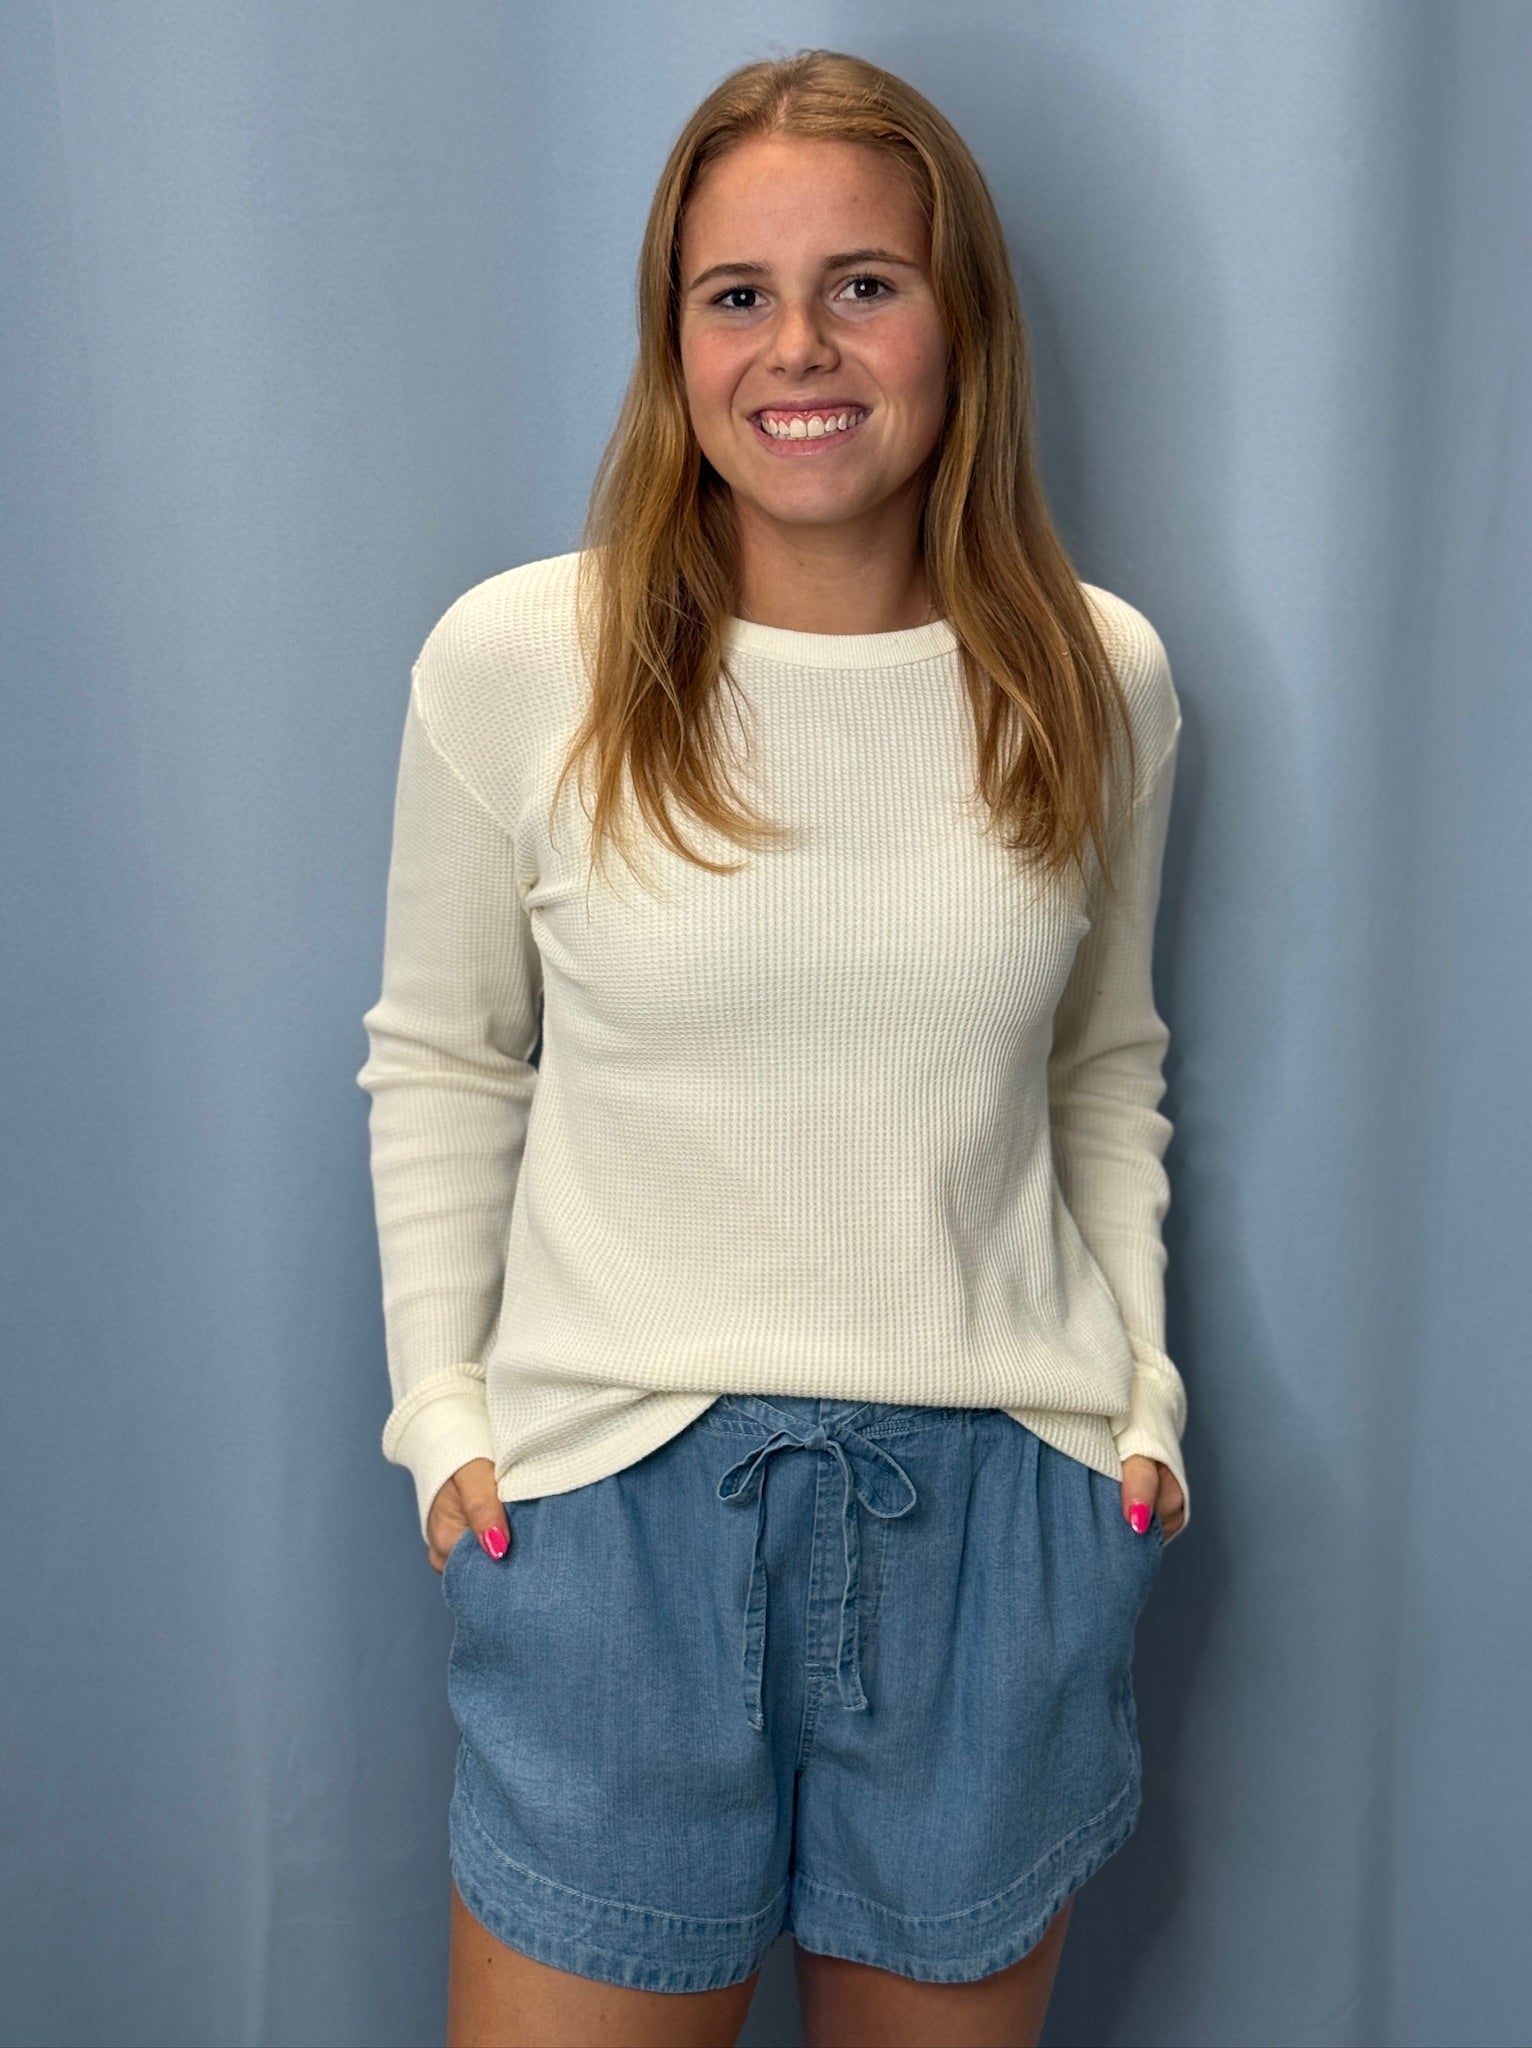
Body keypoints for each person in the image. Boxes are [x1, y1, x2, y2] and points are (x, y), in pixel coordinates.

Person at [356, 45, 1190, 2048]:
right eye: (739, 293)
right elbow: (449, 1058)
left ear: (956, 317)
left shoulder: (1101, 680)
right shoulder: (517, 662)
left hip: (998, 1521)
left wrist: (1139, 1402)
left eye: (865, 283)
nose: (799, 347)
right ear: (673, 339)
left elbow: (1105, 1066)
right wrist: (447, 1421)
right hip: (612, 1518)